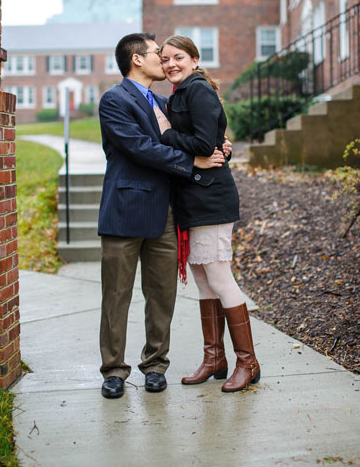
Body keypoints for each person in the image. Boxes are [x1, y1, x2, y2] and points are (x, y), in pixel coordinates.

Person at [97, 32, 227, 400]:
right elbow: (140, 148)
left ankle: (155, 365)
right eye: (157, 53)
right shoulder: (114, 100)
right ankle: (113, 370)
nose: (164, 60)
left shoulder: (162, 101)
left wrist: (219, 146)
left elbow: (185, 136)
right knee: (117, 295)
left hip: (165, 213)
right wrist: (191, 161)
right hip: (124, 210)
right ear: (137, 59)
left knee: (162, 294)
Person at [154, 34, 260, 393]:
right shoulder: (180, 93)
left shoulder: (197, 90)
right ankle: (214, 358)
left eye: (178, 57)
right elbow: (211, 142)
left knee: (218, 275)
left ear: (195, 59)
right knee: (203, 280)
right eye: (165, 59)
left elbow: (203, 145)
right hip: (194, 198)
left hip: (212, 197)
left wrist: (166, 134)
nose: (171, 64)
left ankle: (248, 362)